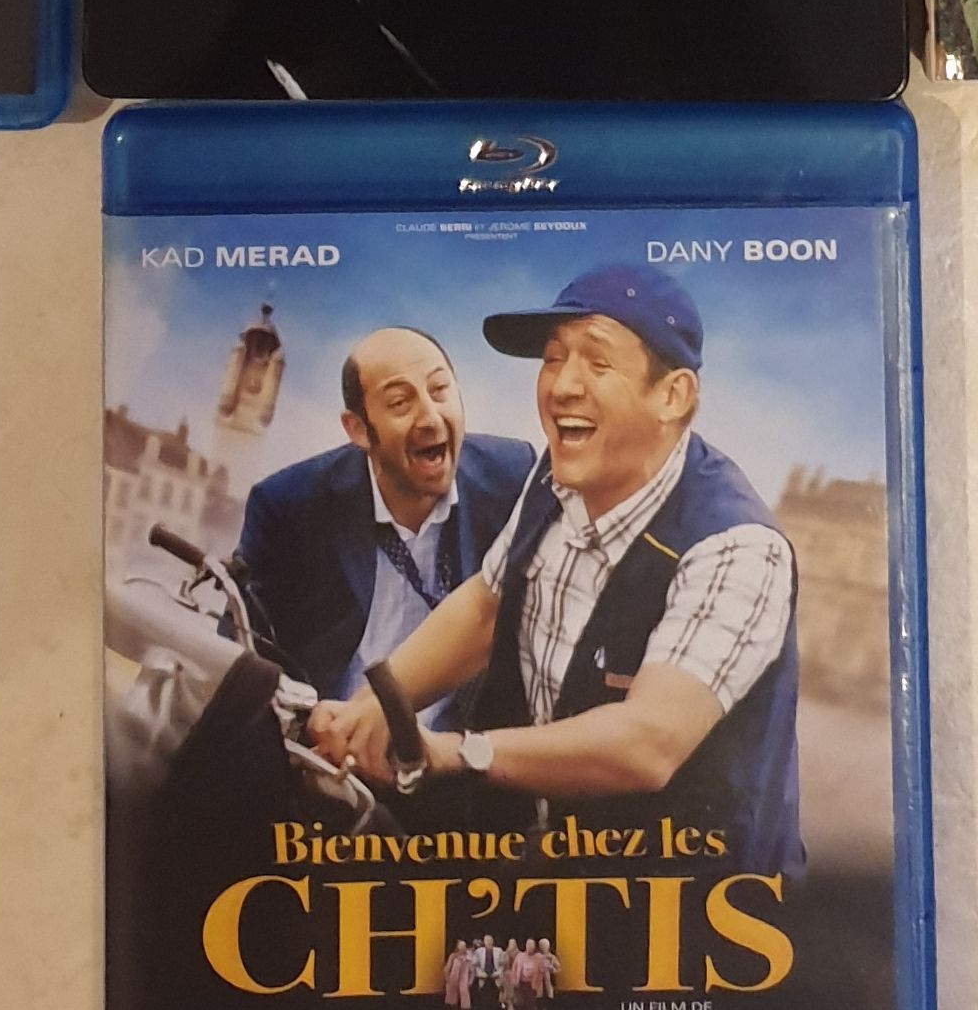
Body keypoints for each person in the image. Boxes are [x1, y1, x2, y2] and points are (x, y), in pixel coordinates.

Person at [309, 263, 804, 873]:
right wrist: (370, 709)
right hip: (558, 864)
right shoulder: (559, 472)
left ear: (673, 395)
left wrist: (460, 753)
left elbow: (648, 744)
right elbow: (487, 607)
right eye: (552, 358)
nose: (562, 385)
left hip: (700, 899)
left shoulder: (736, 546)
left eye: (597, 362)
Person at [233, 328, 533, 711]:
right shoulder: (290, 507)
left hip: (460, 741)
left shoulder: (513, 477)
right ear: (358, 429)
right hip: (327, 736)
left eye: (439, 390)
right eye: (400, 402)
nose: (430, 417)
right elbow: (241, 657)